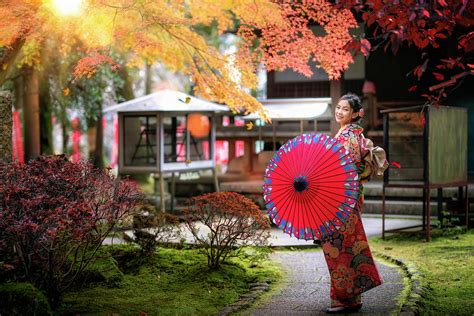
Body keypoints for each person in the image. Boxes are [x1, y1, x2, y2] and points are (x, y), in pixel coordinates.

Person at [322, 93, 383, 314]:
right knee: (344, 244)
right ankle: (350, 297)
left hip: (342, 197)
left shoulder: (348, 136)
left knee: (340, 247)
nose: (339, 112)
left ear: (356, 113)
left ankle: (345, 300)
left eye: (345, 109)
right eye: (338, 107)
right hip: (347, 196)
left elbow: (343, 169)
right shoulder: (349, 133)